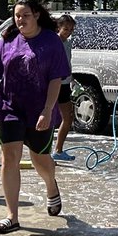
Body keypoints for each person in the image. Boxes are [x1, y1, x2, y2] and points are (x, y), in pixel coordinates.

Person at [0, 0, 68, 234]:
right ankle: (12, 216)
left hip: (40, 110)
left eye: (25, 15)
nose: (20, 20)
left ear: (37, 16)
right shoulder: (7, 41)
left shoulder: (51, 42)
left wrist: (47, 110)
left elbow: (56, 79)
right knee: (9, 158)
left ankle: (51, 186)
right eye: (17, 15)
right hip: (10, 108)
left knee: (39, 160)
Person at [52, 13, 76, 162]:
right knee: (48, 118)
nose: (68, 32)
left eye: (71, 29)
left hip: (65, 83)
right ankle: (42, 152)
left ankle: (58, 150)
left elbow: (67, 62)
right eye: (66, 29)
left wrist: (72, 79)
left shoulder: (68, 43)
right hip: (54, 84)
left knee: (68, 118)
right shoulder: (53, 42)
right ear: (59, 27)